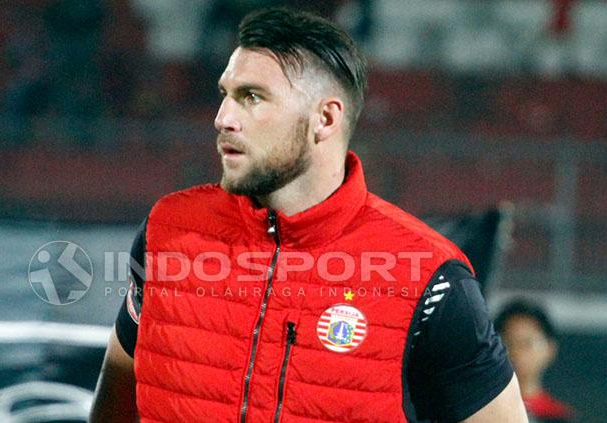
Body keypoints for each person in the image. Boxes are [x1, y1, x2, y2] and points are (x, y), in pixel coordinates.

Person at [91, 8, 528, 423]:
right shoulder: (168, 230)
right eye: (225, 94)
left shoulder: (432, 280)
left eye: (252, 97)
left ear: (324, 118)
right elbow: (114, 404)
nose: (224, 119)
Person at [495, 299, 574, 423]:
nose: (517, 352)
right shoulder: (482, 411)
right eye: (509, 343)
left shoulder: (560, 416)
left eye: (527, 343)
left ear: (550, 349)